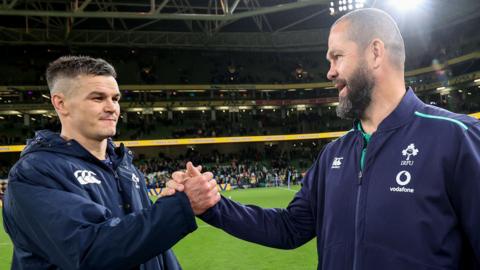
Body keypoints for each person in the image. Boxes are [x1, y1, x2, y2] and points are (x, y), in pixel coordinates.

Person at [168, 8, 480, 269]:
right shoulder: (333, 155)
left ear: (375, 53)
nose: (329, 72)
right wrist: (213, 205)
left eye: (337, 57)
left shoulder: (456, 139)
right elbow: (289, 228)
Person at [2, 56, 220, 270]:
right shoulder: (34, 173)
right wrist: (178, 208)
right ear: (61, 103)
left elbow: (155, 253)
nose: (112, 108)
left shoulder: (126, 167)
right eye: (98, 98)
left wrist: (165, 205)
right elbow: (89, 252)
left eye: (115, 99)